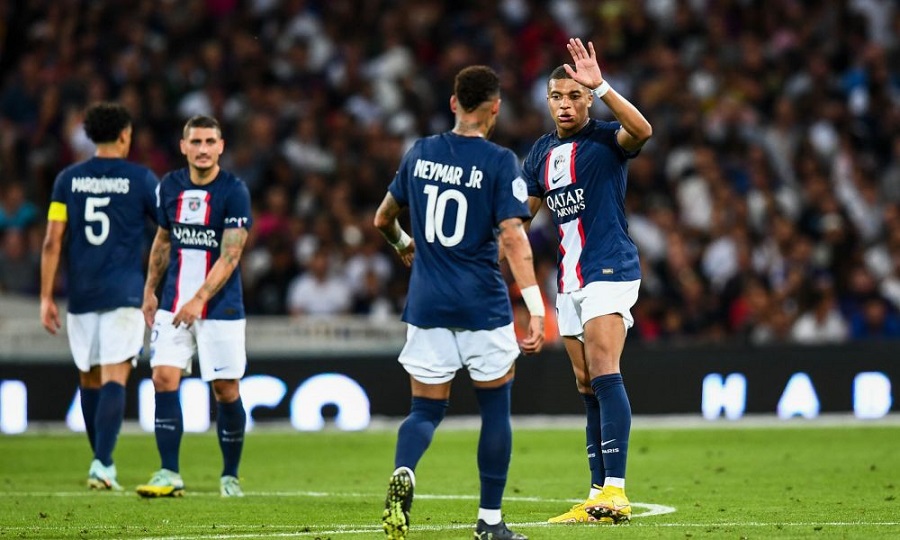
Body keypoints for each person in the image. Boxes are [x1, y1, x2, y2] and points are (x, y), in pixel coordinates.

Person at [374, 65, 546, 540]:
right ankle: (490, 522)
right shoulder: (498, 161)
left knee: (425, 411)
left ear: (453, 103)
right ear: (495, 107)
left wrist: (403, 244)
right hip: (482, 307)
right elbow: (513, 237)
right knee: (495, 411)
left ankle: (405, 470)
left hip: (426, 306)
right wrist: (533, 305)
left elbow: (382, 218)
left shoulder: (421, 152)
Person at [521, 38, 652, 525]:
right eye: (557, 96)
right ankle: (597, 494)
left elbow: (643, 130)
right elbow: (520, 219)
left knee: (603, 368)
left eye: (575, 96)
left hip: (610, 268)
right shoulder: (538, 153)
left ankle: (616, 490)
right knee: (585, 383)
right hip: (569, 277)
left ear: (588, 99)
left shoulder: (605, 139)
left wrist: (604, 85)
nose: (565, 104)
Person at [39, 102, 159, 490]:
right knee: (114, 378)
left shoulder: (67, 180)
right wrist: (156, 285)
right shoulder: (142, 180)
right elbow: (168, 229)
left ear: (91, 136)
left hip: (82, 293)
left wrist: (45, 296)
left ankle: (100, 463)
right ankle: (103, 463)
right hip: (125, 291)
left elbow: (52, 241)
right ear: (125, 135)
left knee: (89, 380)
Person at [137, 115, 252, 498]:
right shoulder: (168, 186)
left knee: (225, 388)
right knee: (163, 378)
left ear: (221, 146)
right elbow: (164, 239)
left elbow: (232, 254)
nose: (203, 149)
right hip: (172, 303)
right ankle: (168, 471)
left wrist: (200, 298)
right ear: (183, 146)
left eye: (210, 142)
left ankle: (230, 475)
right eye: (196, 142)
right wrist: (150, 289)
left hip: (220, 306)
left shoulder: (234, 191)